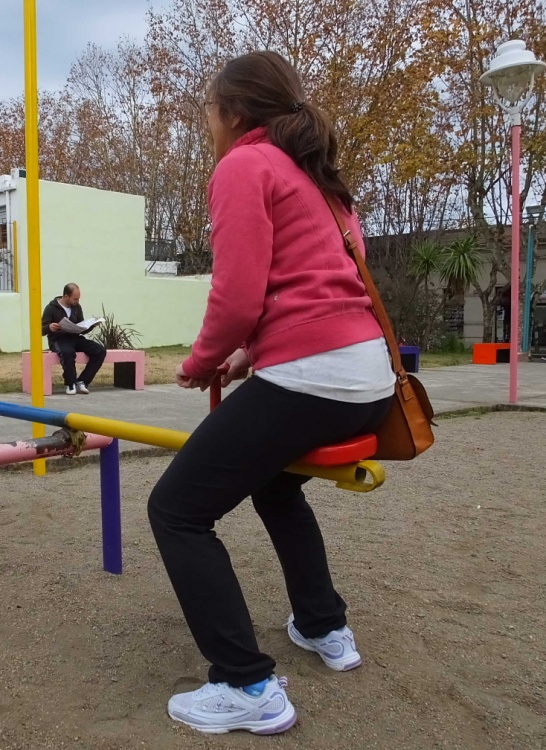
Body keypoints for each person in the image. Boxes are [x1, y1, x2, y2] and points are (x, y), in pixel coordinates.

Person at [147, 51, 396, 736]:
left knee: (176, 509)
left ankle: (245, 684)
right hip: (371, 377)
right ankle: (324, 628)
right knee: (276, 485)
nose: (207, 126)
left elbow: (237, 294)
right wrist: (248, 358)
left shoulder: (243, 167)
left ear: (232, 113)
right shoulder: (322, 180)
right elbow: (316, 290)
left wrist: (202, 360)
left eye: (207, 112)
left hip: (310, 379)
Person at [40, 283, 107, 395]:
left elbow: (80, 327)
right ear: (66, 296)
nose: (77, 301)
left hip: (75, 338)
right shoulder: (51, 308)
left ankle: (82, 381)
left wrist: (91, 326)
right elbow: (40, 330)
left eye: (78, 299)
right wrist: (50, 327)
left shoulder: (76, 307)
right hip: (58, 339)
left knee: (100, 350)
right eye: (75, 299)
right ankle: (70, 383)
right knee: (67, 352)